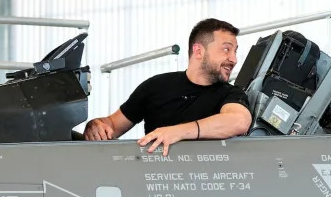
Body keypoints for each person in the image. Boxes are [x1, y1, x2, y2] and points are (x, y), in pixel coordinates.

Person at [84, 18, 253, 156]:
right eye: (226, 50)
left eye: (235, 51)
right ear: (198, 51)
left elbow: (239, 121)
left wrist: (178, 132)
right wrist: (96, 125)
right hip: (155, 184)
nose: (234, 59)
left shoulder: (231, 94)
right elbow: (112, 125)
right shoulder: (156, 86)